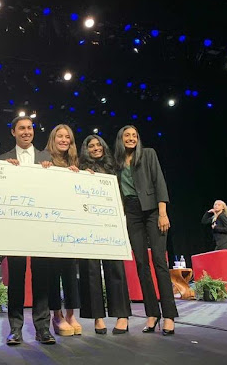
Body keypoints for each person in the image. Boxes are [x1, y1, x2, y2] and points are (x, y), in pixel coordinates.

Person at [113, 125, 178, 336]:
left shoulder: (148, 154)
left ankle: (168, 315)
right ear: (120, 140)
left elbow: (159, 181)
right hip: (131, 212)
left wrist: (162, 212)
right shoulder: (117, 162)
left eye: (134, 135)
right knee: (141, 264)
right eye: (127, 136)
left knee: (159, 261)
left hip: (152, 210)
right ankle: (152, 314)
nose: (131, 138)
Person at [0, 116, 56, 345]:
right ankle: (15, 329)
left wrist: (55, 172)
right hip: (16, 228)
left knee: (42, 278)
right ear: (13, 132)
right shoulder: (3, 160)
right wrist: (5, 171)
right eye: (21, 128)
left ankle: (43, 328)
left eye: (29, 128)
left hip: (41, 227)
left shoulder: (47, 158)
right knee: (16, 279)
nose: (26, 132)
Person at [78, 135, 131, 334]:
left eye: (98, 144)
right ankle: (97, 318)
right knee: (90, 269)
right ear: (86, 150)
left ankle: (122, 316)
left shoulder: (114, 167)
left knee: (116, 269)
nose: (95, 148)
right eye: (90, 146)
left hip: (112, 223)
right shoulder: (81, 169)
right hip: (88, 224)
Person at [45, 124, 82, 336]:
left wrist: (84, 175)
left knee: (70, 271)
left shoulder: (75, 162)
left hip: (71, 224)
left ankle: (70, 314)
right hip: (51, 223)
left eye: (67, 137)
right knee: (53, 271)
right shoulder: (44, 158)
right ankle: (56, 315)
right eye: (59, 136)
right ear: (53, 138)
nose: (63, 140)